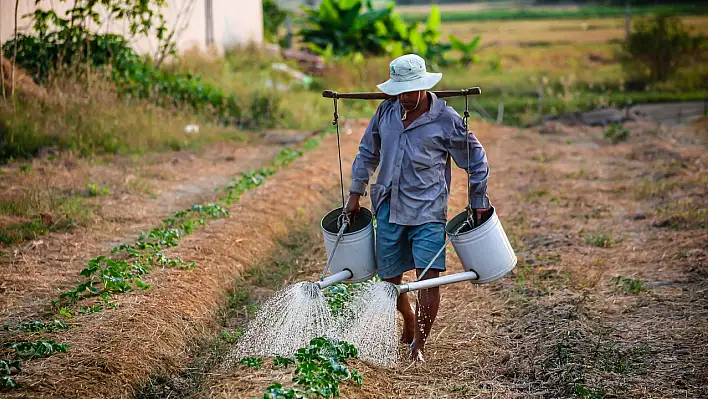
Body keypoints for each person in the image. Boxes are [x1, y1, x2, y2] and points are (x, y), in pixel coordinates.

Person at [344, 54, 491, 362]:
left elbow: (476, 159)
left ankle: (418, 346)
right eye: (399, 91)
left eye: (410, 91)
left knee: (429, 277)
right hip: (388, 205)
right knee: (390, 280)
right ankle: (408, 317)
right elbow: (367, 152)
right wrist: (355, 194)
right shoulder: (386, 112)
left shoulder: (446, 119)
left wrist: (478, 200)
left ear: (424, 87)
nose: (405, 97)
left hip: (428, 209)